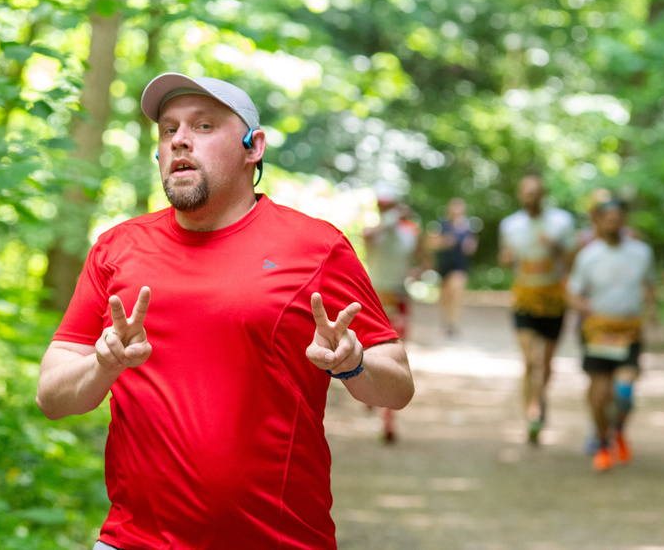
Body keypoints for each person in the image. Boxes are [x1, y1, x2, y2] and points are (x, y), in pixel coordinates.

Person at [36, 73, 415, 550]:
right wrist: (103, 364)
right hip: (133, 541)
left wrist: (352, 363)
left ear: (253, 146)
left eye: (204, 126)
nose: (180, 141)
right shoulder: (118, 249)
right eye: (168, 129)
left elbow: (398, 387)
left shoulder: (316, 248)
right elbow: (52, 397)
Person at [567, 199, 656, 471]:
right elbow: (573, 292)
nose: (613, 222)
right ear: (599, 221)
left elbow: (650, 286)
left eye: (618, 217)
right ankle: (603, 442)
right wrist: (584, 308)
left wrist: (652, 312)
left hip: (628, 331)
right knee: (599, 390)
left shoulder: (641, 253)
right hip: (598, 331)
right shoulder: (588, 256)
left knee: (624, 391)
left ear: (624, 220)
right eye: (608, 218)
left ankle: (618, 429)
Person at [499, 174, 576, 445]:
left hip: (554, 297)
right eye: (527, 193)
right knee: (530, 360)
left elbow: (573, 258)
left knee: (547, 363)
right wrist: (508, 260)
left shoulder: (562, 222)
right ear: (520, 195)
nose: (532, 198)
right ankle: (531, 414)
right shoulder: (510, 225)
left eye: (536, 193)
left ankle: (540, 398)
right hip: (525, 297)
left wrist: (554, 248)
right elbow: (505, 258)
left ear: (544, 194)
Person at [362, 184, 428, 444]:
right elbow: (369, 236)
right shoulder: (374, 232)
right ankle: (368, 393)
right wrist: (390, 221)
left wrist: (417, 272)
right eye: (382, 205)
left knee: (394, 356)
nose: (384, 209)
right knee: (369, 352)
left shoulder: (411, 232)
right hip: (374, 299)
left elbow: (425, 261)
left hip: (398, 298)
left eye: (389, 205)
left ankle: (387, 420)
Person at [433, 197, 478, 338]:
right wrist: (446, 242)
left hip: (459, 266)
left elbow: (472, 246)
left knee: (456, 293)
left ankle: (453, 324)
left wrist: (469, 245)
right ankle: (446, 321)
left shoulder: (469, 226)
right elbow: (432, 242)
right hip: (444, 265)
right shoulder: (442, 224)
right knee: (445, 296)